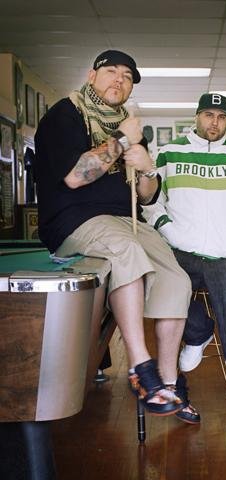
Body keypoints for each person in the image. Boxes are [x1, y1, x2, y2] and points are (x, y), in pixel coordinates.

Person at [34, 50, 197, 422]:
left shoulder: (128, 125)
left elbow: (147, 196)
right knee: (126, 251)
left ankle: (168, 383)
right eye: (111, 71)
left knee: (178, 280)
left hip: (127, 220)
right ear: (92, 76)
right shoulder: (66, 114)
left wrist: (148, 168)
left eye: (127, 76)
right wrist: (123, 142)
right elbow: (75, 177)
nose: (119, 80)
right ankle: (141, 369)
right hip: (75, 221)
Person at [142, 93, 226, 418]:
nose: (214, 122)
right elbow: (151, 200)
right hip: (180, 249)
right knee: (152, 280)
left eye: (221, 117)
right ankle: (197, 332)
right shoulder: (169, 153)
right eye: (208, 115)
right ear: (197, 116)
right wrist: (166, 228)